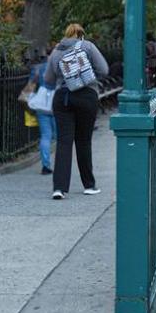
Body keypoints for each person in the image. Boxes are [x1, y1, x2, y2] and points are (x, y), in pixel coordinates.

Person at [42, 22, 110, 200]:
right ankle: (89, 185)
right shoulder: (87, 46)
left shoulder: (56, 51)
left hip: (62, 98)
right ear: (81, 34)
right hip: (86, 96)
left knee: (64, 142)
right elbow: (104, 69)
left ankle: (59, 188)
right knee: (83, 141)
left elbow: (48, 78)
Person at [27, 44, 57, 175]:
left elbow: (30, 87)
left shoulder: (38, 69)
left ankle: (46, 165)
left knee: (45, 136)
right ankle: (61, 163)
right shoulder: (60, 67)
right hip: (57, 105)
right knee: (60, 137)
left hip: (42, 105)